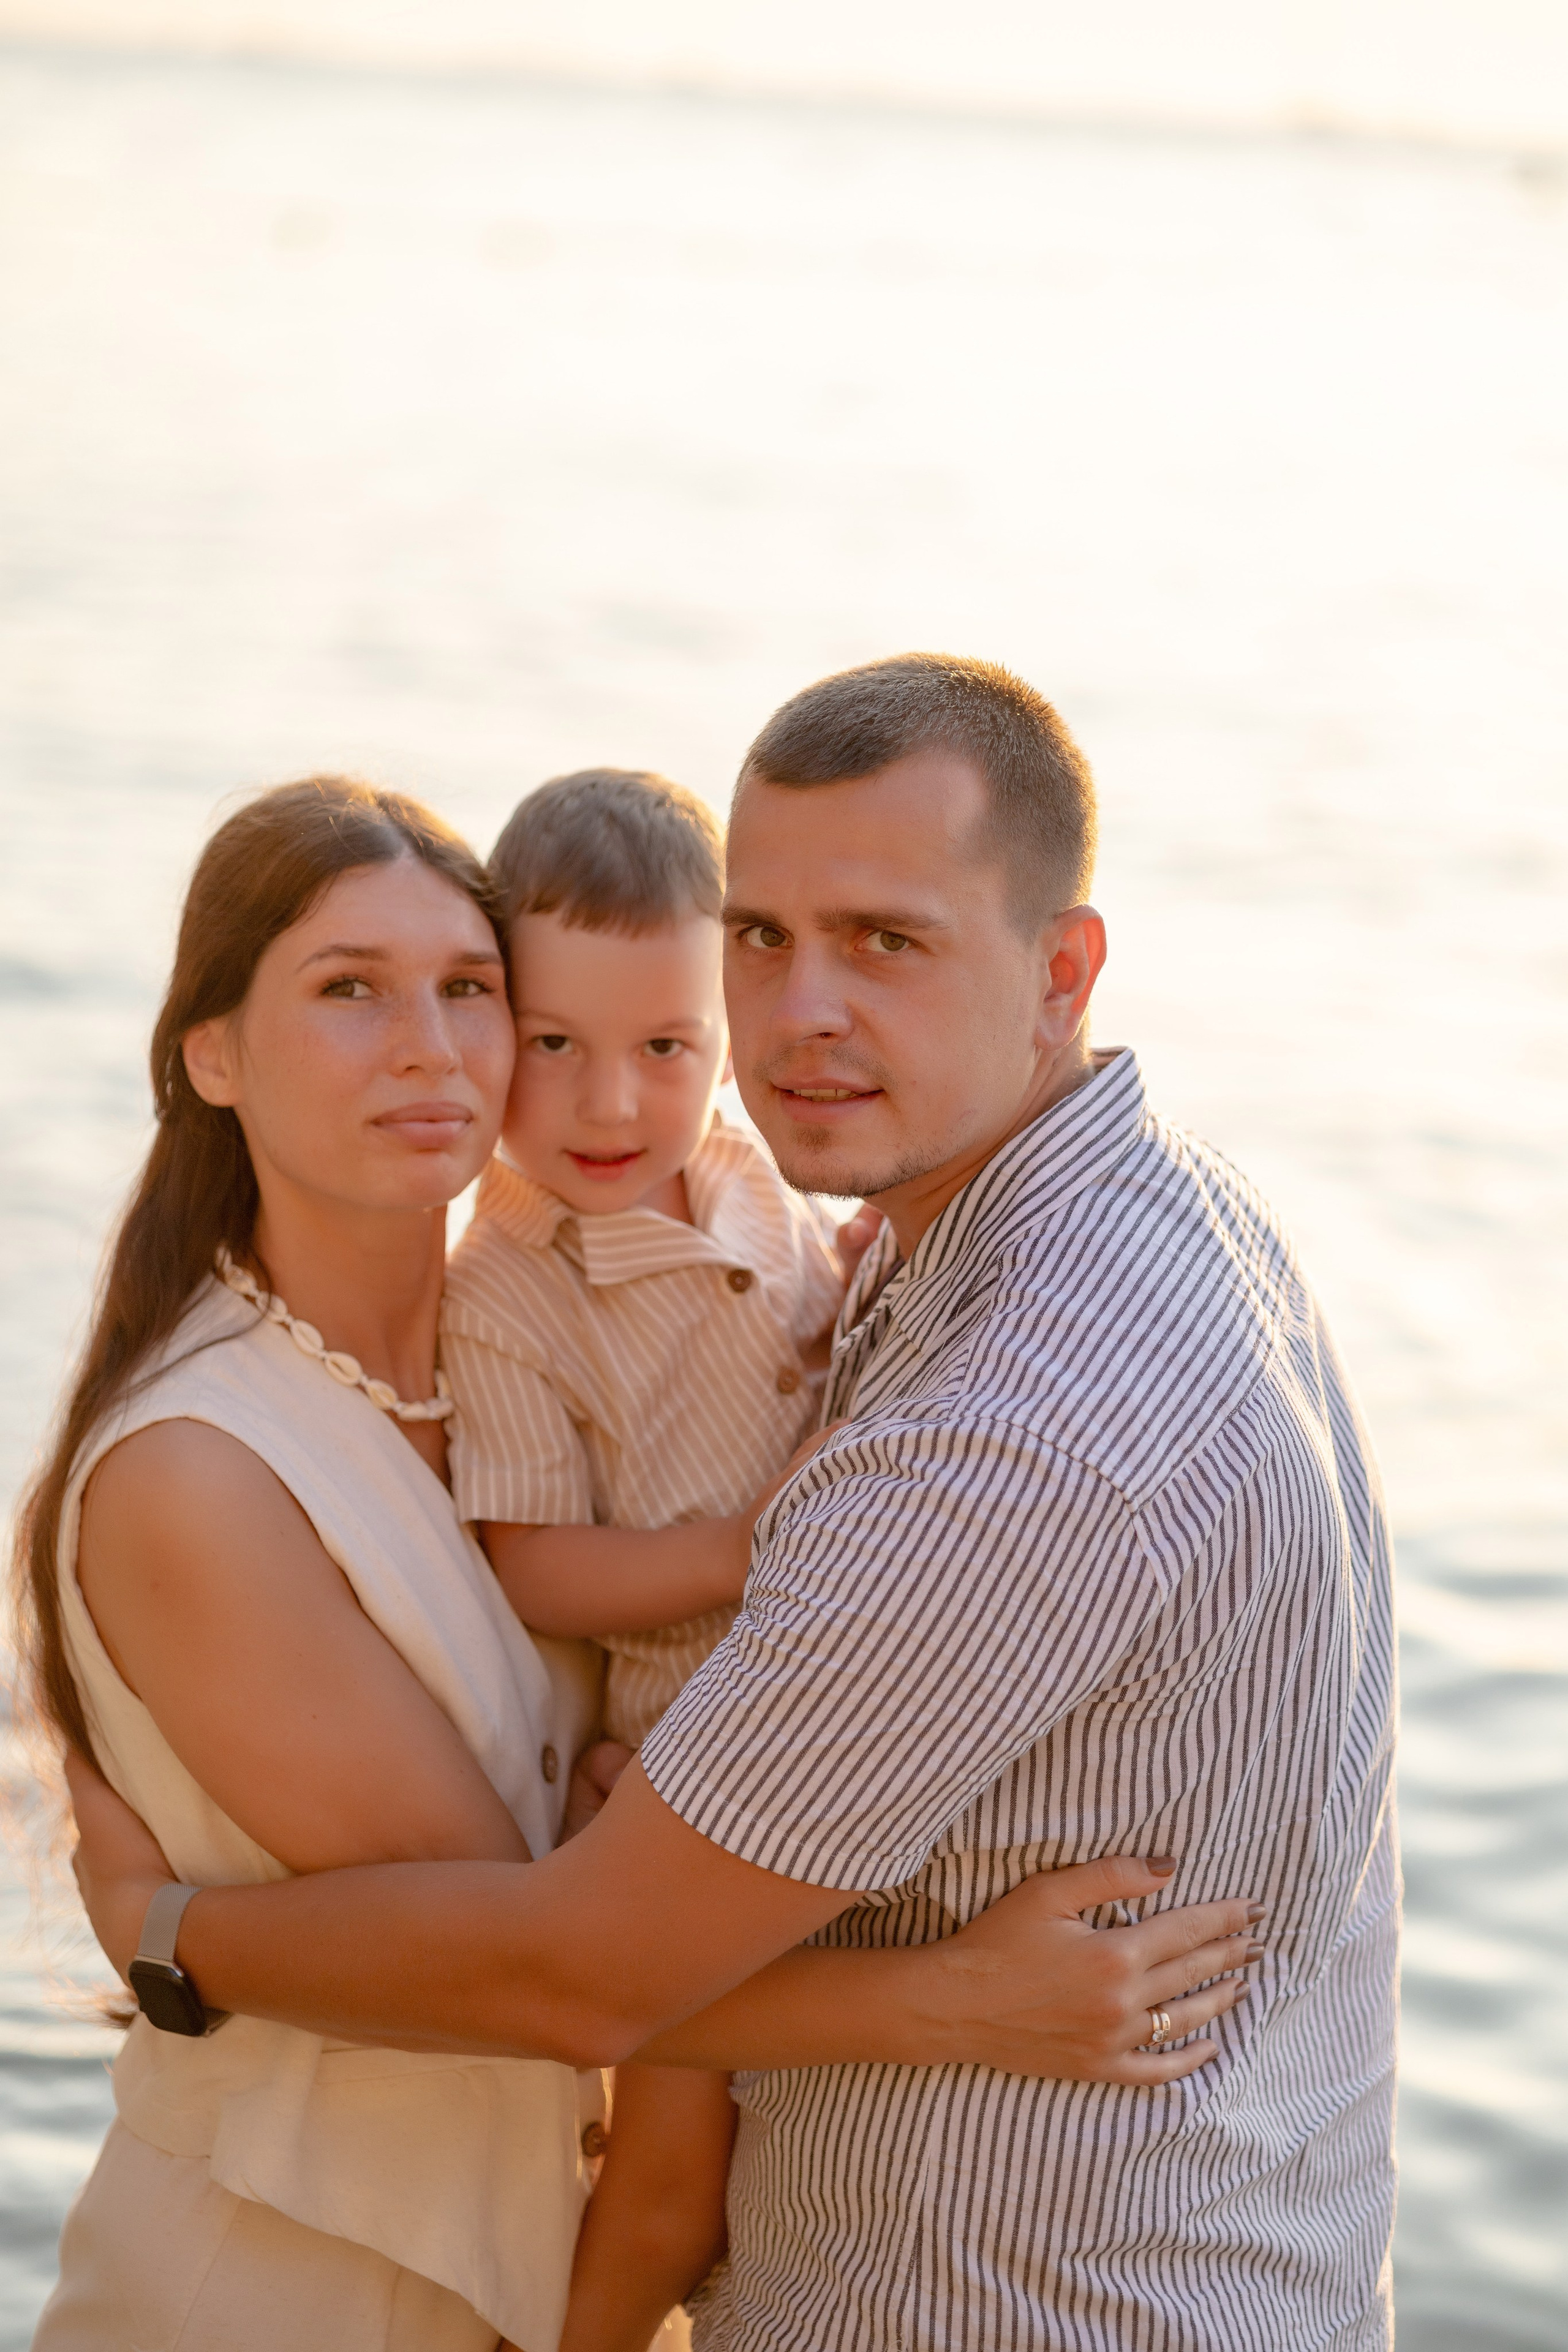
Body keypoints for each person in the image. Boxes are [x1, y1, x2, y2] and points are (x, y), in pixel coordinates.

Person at [22, 763, 1258, 2352]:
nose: (428, 1045)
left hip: (533, 2265)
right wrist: (949, 2002)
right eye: (349, 990)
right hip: (282, 2288)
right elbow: (534, 1964)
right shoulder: (200, 1470)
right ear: (211, 1052)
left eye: (470, 990)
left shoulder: (523, 1372)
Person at [443, 766, 867, 2340]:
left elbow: (810, 1327)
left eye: (667, 1050)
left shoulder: (755, 1177)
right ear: (492, 1029)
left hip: (835, 1707)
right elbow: (535, 1568)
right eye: (553, 1047)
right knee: (674, 2165)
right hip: (689, 1752)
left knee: (796, 2151)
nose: (611, 1105)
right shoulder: (507, 1284)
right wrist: (740, 1552)